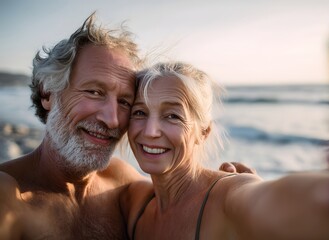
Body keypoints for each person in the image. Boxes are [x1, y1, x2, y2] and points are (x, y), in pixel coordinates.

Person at [0, 13, 248, 240]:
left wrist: (236, 198)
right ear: (48, 94)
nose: (113, 120)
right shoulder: (10, 194)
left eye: (125, 102)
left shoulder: (123, 186)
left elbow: (186, 204)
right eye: (95, 92)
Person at [126, 61, 329, 240]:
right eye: (140, 112)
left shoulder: (228, 196)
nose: (150, 131)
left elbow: (275, 200)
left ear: (203, 132)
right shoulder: (134, 203)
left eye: (173, 116)